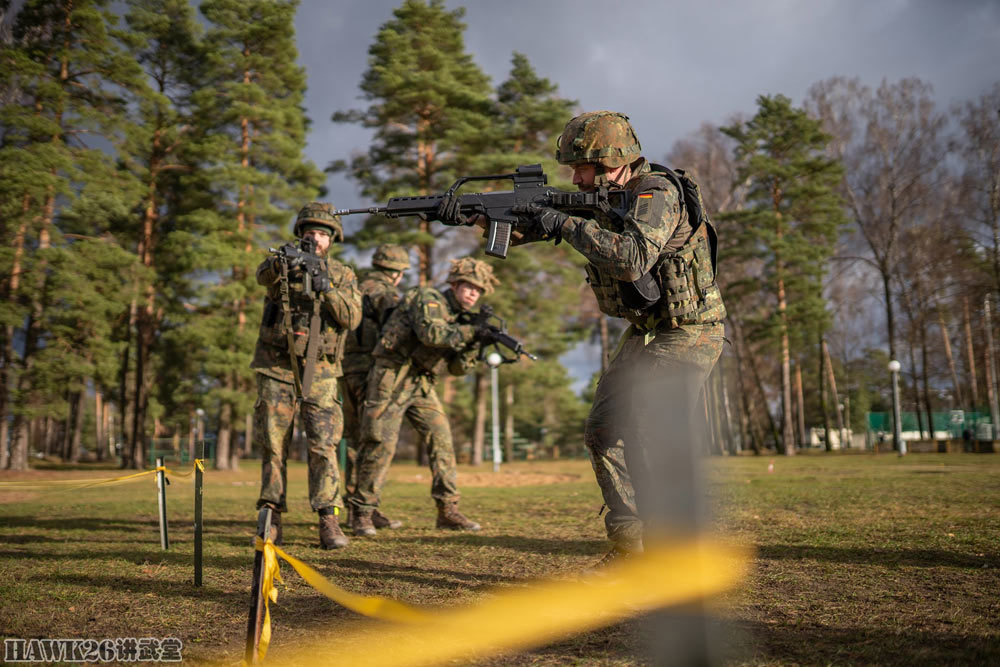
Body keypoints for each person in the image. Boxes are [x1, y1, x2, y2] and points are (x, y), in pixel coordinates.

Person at [463, 111, 727, 564]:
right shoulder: (606, 196)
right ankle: (630, 549)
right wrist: (483, 216)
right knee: (603, 431)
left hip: (691, 332)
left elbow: (631, 259)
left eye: (579, 167)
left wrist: (561, 223)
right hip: (648, 331)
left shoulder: (656, 193)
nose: (575, 178)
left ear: (610, 161)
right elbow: (536, 228)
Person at [348, 257, 498, 536]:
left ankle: (448, 509)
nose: (473, 293)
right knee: (379, 443)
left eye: (478, 291)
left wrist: (476, 344)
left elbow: (455, 368)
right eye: (469, 287)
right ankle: (362, 513)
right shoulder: (426, 297)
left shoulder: (458, 320)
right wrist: (471, 331)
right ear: (454, 284)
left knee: (442, 440)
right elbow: (432, 334)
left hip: (420, 382)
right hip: (392, 375)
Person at [251, 202, 362, 550]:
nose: (315, 239)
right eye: (309, 232)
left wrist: (325, 285)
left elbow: (351, 318)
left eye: (322, 234)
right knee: (272, 444)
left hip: (324, 371)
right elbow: (262, 277)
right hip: (277, 367)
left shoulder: (343, 275)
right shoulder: (284, 265)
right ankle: (271, 515)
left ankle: (328, 519)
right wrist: (280, 263)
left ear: (332, 240)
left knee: (324, 446)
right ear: (300, 234)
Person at [340, 243, 411, 529]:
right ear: (396, 273)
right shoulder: (386, 293)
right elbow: (396, 326)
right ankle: (363, 511)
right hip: (369, 369)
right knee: (373, 441)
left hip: (344, 368)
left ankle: (355, 508)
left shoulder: (354, 285)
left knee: (354, 441)